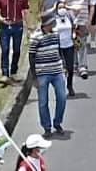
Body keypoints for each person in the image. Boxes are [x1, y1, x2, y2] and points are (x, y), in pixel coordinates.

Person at [28, 9, 67, 138]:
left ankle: (57, 122)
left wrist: (64, 66)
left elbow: (59, 49)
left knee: (62, 97)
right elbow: (31, 57)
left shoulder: (56, 34)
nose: (53, 25)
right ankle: (47, 127)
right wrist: (34, 77)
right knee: (43, 102)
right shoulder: (35, 37)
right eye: (51, 23)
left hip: (57, 71)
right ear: (45, 25)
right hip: (42, 73)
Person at [57, 0, 93, 80]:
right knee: (71, 45)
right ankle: (73, 64)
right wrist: (71, 9)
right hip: (70, 23)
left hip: (83, 21)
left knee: (82, 44)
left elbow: (92, 5)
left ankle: (82, 66)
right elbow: (61, 5)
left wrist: (90, 20)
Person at [0, 0, 29, 84]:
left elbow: (26, 12)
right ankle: (4, 73)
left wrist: (28, 28)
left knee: (17, 50)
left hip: (17, 26)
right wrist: (1, 19)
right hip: (4, 27)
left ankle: (14, 71)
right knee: (5, 49)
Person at [54, 5, 77, 97]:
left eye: (63, 7)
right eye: (59, 7)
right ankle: (60, 88)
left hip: (69, 45)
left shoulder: (69, 16)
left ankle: (70, 85)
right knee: (60, 68)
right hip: (58, 46)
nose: (62, 9)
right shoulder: (54, 19)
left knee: (70, 68)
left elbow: (75, 26)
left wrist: (74, 34)